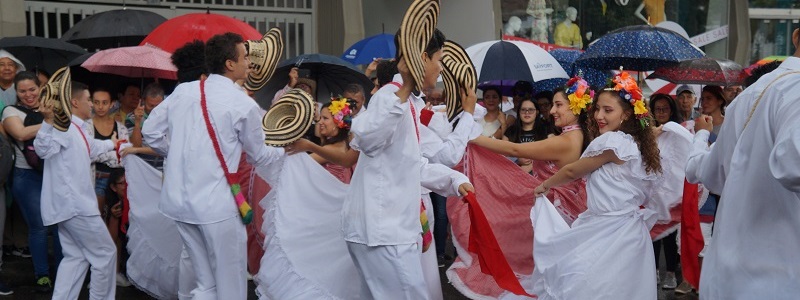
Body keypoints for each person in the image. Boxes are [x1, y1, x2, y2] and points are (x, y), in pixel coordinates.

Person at [142, 32, 285, 299]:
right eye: (245, 57)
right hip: (216, 207)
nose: (249, 63)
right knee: (230, 285)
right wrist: (287, 149)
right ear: (230, 64)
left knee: (205, 283)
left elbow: (150, 131)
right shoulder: (243, 103)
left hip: (179, 202)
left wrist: (179, 155)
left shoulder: (185, 90)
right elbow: (260, 157)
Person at [344, 27, 473, 299]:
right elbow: (366, 139)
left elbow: (411, 164)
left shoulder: (407, 101)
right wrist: (404, 89)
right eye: (438, 59)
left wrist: (453, 180)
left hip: (388, 229)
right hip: (384, 231)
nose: (440, 69)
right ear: (423, 58)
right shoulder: (390, 97)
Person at [684, 25, 800, 300]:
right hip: (782, 279)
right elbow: (793, 161)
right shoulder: (794, 88)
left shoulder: (747, 98)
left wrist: (700, 138)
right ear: (796, 36)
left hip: (729, 277)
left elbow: (710, 173)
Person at [530, 73, 669, 300]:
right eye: (597, 109)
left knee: (584, 286)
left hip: (606, 229)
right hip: (631, 234)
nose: (599, 116)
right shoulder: (639, 146)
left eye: (608, 110)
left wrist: (544, 185)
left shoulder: (612, 142)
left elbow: (573, 170)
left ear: (625, 114)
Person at [36, 80, 119, 300]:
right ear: (74, 101)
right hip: (76, 205)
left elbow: (92, 148)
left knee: (76, 257)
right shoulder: (62, 126)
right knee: (105, 254)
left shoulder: (77, 128)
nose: (92, 104)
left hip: (71, 206)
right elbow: (43, 149)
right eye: (89, 99)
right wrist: (46, 121)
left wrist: (116, 144)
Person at [1, 71, 60, 292]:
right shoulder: (10, 111)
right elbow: (22, 133)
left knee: (60, 226)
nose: (28, 95)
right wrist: (50, 120)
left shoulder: (51, 107)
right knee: (39, 226)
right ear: (16, 93)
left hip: (54, 174)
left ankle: (65, 272)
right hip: (26, 177)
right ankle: (42, 275)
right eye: (22, 91)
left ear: (40, 88)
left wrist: (53, 117)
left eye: (32, 89)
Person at [125, 83, 164, 170]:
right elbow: (135, 145)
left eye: (158, 106)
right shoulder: (131, 117)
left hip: (163, 169)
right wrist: (137, 122)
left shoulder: (168, 118)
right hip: (141, 168)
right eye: (150, 105)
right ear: (143, 101)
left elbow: (165, 149)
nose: (154, 109)